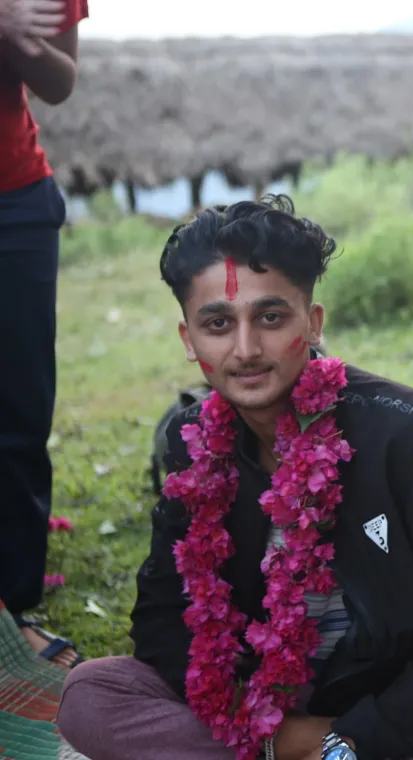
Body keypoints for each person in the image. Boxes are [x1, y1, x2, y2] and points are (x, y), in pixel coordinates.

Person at [55, 197, 413, 760]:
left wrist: (364, 732)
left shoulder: (409, 434)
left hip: (386, 708)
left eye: (271, 317)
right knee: (92, 692)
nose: (246, 349)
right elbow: (162, 616)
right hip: (264, 712)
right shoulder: (191, 443)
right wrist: (259, 723)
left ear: (312, 323)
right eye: (217, 324)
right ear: (188, 340)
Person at [0, 0, 87, 668]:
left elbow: (60, 82)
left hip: (15, 202)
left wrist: (12, 35)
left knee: (19, 413)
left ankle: (12, 611)